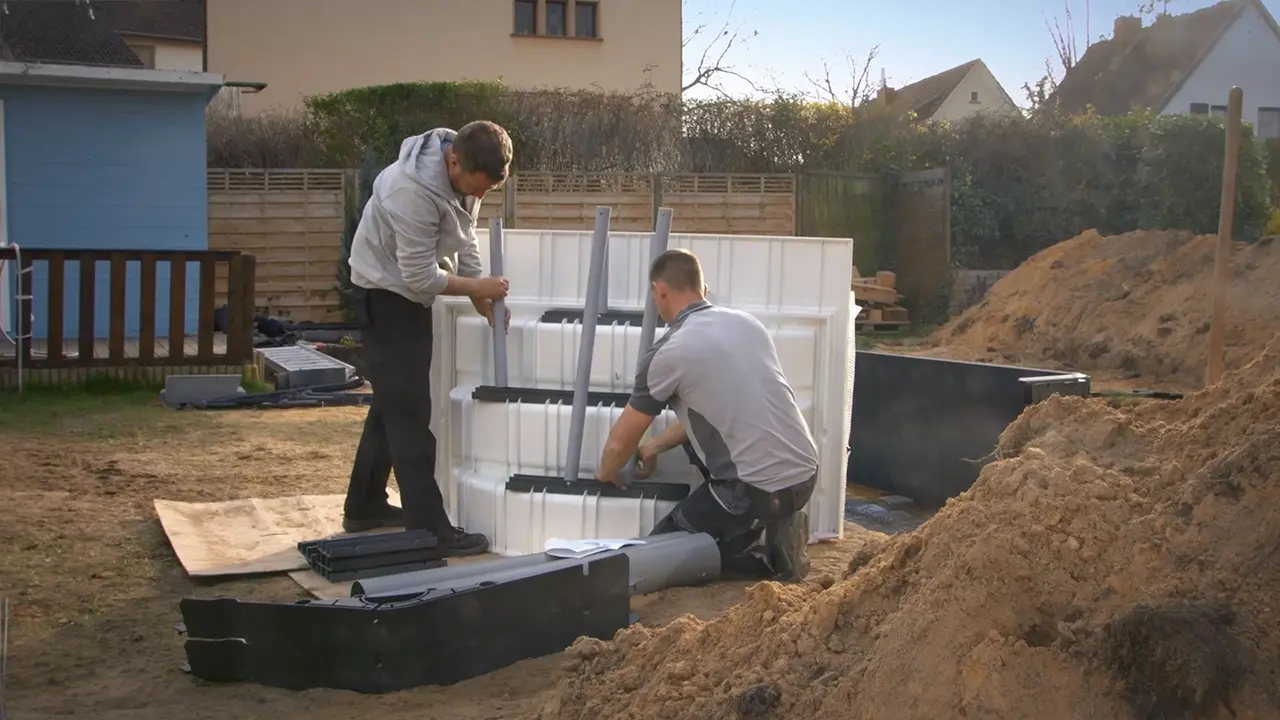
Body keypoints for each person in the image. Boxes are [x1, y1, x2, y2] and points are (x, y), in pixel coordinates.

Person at [594, 249, 818, 582]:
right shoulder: (747, 324)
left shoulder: (669, 352)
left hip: (753, 492)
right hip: (804, 477)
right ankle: (777, 525)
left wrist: (606, 474)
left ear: (660, 291)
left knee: (665, 553)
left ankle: (762, 556)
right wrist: (654, 447)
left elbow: (617, 445)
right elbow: (724, 414)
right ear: (704, 289)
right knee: (715, 461)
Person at [341, 121, 513, 557]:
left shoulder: (463, 176)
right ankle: (430, 528)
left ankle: (364, 506)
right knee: (410, 413)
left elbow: (464, 235)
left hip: (405, 294)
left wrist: (476, 285)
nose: (477, 199)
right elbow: (420, 278)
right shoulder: (409, 190)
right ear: (454, 160)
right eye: (476, 188)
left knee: (391, 404)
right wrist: (478, 288)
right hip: (385, 295)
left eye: (484, 193)